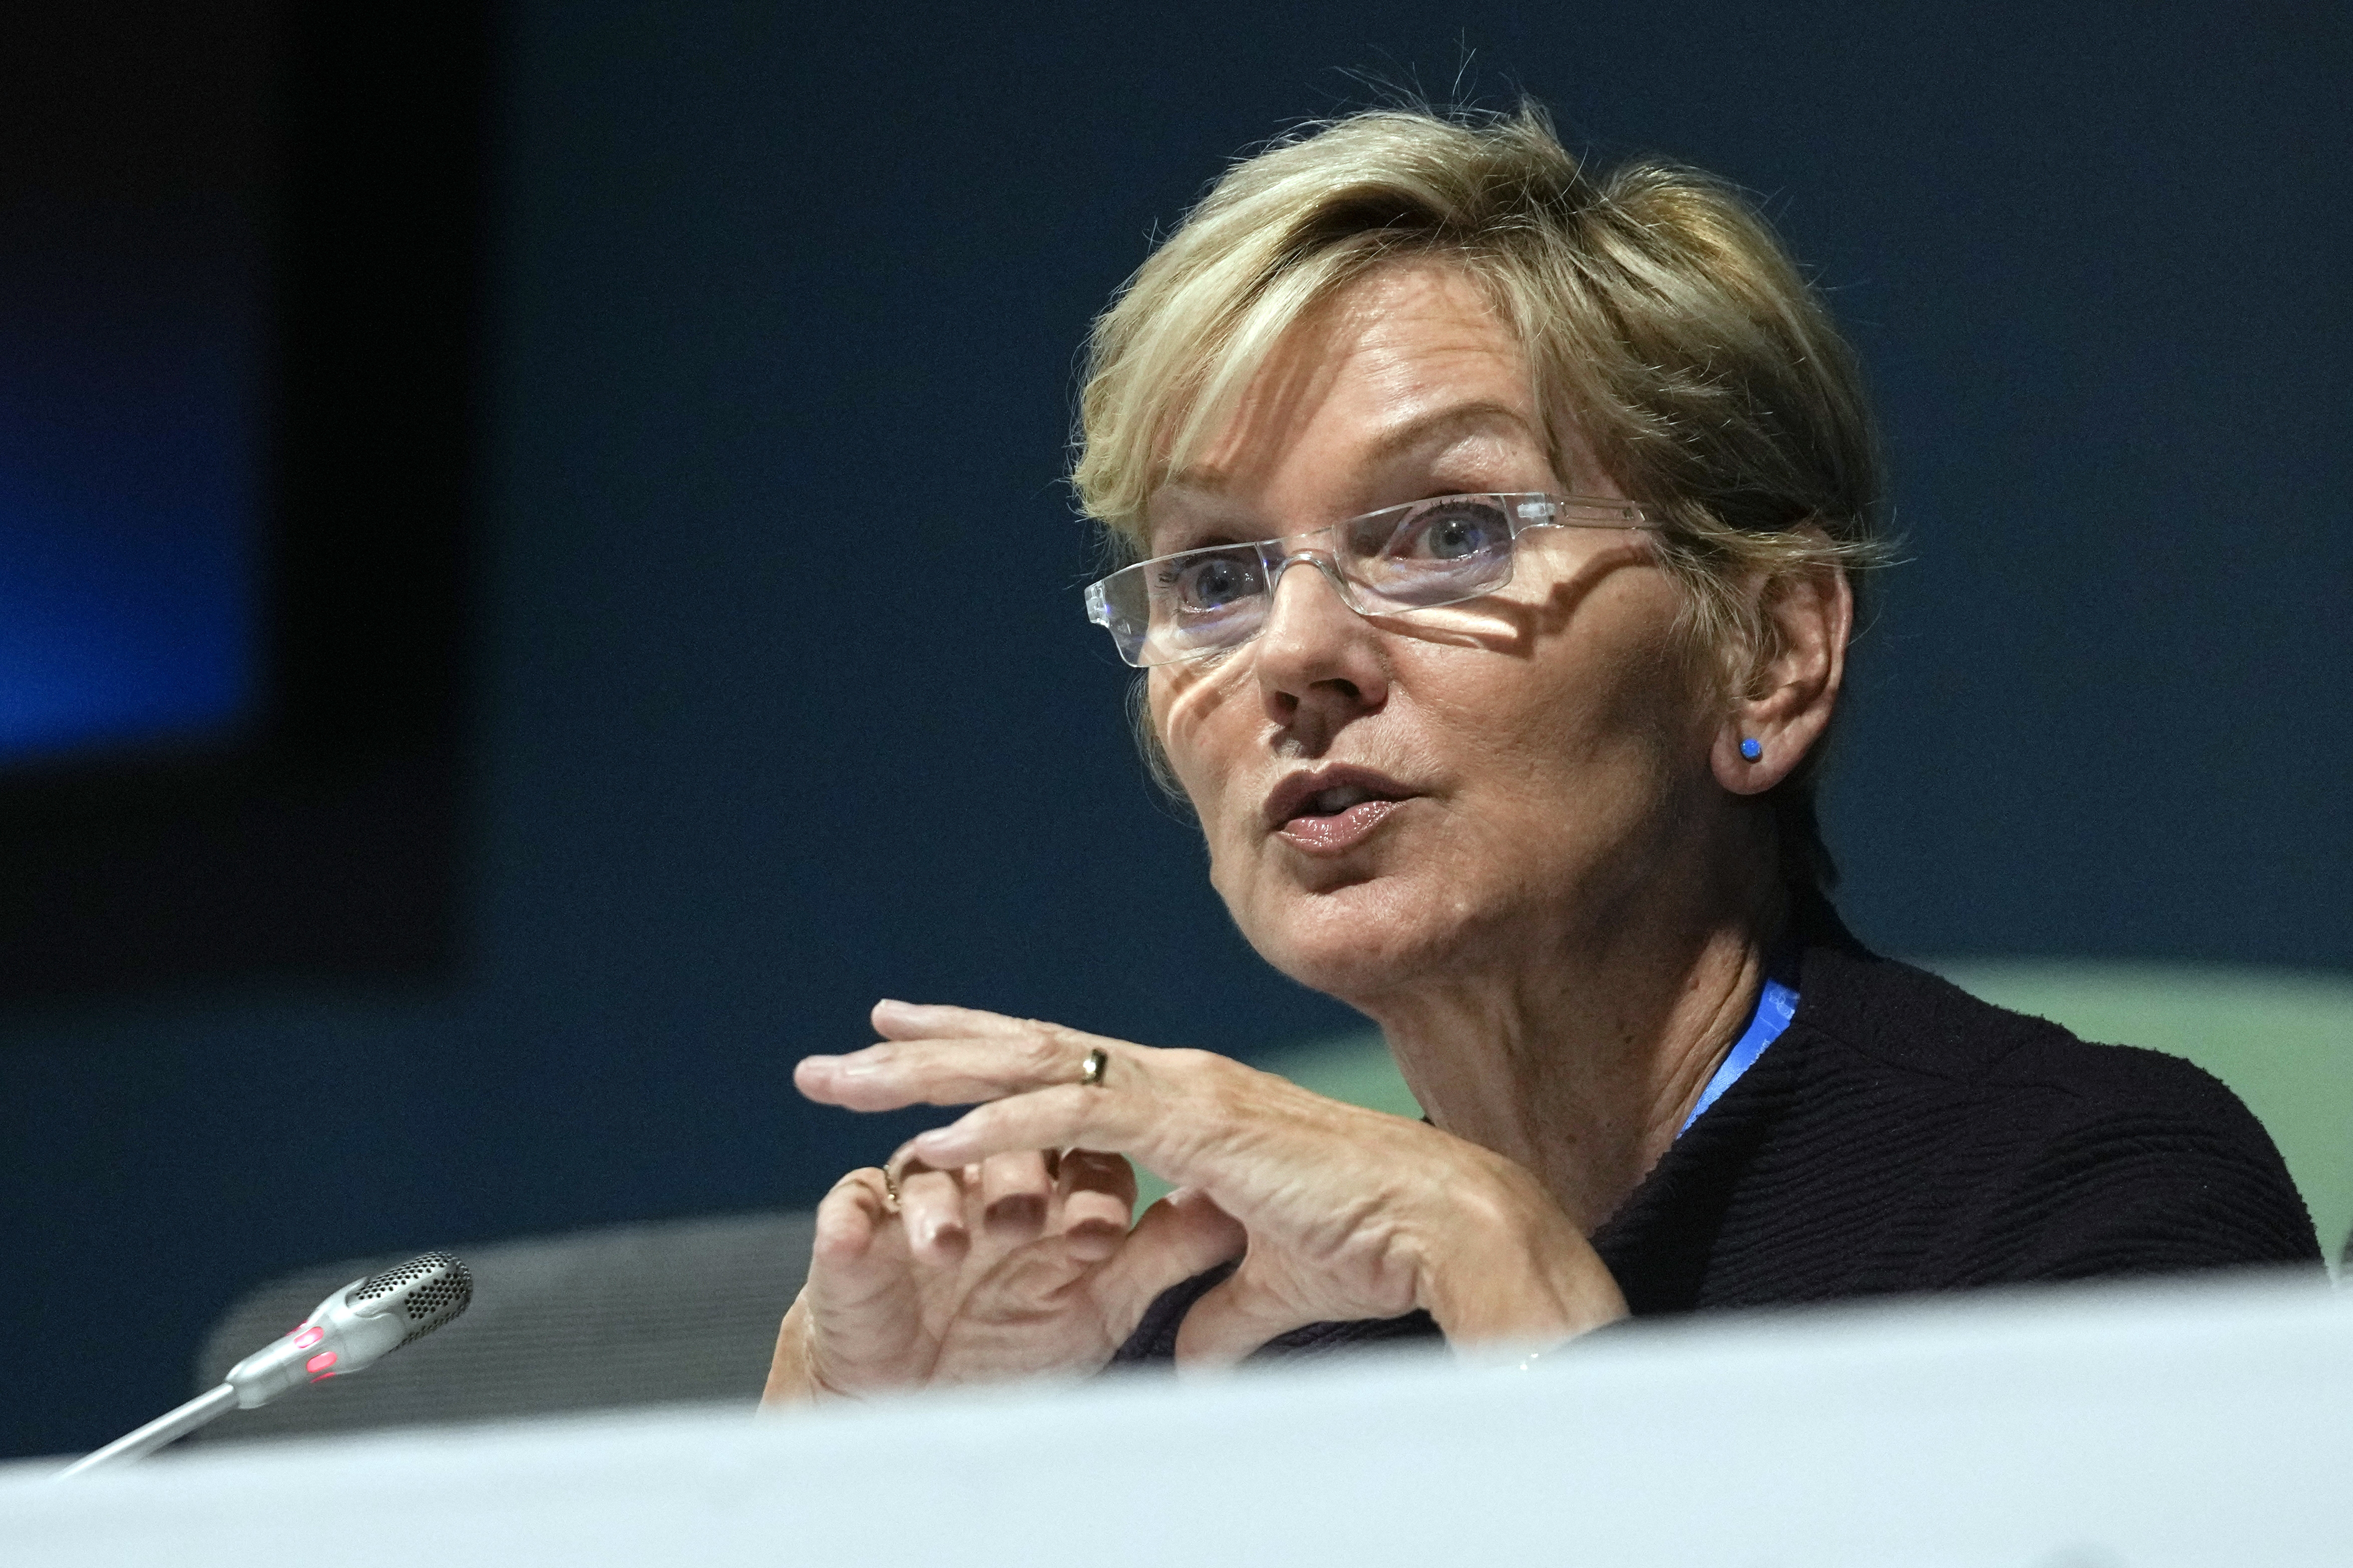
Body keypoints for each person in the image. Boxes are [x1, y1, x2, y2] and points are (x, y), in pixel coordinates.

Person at [764, 104, 2316, 1400]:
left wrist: (1498, 1265)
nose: (1294, 656)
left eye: (1447, 530)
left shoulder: (2076, 1207)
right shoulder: (1215, 1338)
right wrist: (870, 1477)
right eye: (1216, 575)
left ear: (1765, 649)